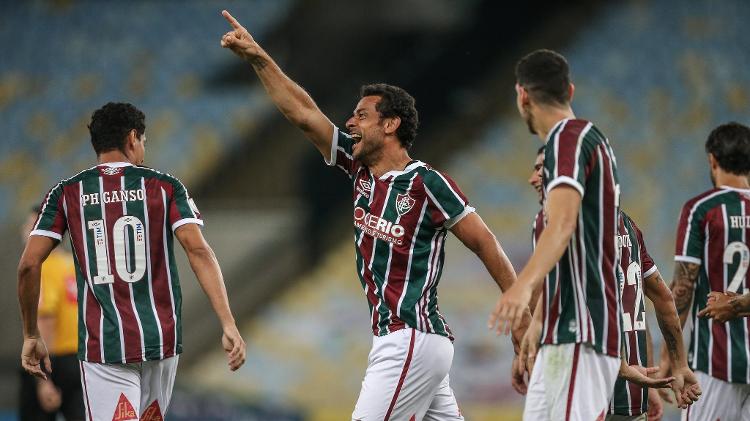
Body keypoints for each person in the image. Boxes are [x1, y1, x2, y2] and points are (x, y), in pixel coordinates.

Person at [220, 10, 525, 421]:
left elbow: (484, 242)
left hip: (408, 338)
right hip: (414, 343)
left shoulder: (427, 184)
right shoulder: (359, 168)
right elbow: (304, 113)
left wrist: (519, 313)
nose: (350, 121)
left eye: (361, 115)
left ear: (391, 125)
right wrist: (259, 57)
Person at [489, 49, 695, 420]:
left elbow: (563, 226)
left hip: (579, 335)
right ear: (569, 88)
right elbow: (570, 252)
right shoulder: (583, 144)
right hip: (563, 335)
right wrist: (537, 326)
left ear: (522, 95)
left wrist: (521, 289)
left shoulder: (568, 137)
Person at [18, 102, 246, 421]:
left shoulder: (66, 193)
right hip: (160, 342)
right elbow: (198, 251)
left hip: (104, 348)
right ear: (132, 138)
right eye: (143, 142)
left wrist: (31, 334)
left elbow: (29, 265)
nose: (142, 150)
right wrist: (228, 322)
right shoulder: (166, 187)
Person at [668, 122, 750, 420]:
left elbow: (682, 289)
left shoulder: (701, 210)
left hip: (714, 364)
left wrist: (671, 357)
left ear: (712, 159)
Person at [18, 207, 85, 421]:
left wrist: (42, 379)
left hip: (51, 362)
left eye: (32, 226)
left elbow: (45, 319)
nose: (25, 230)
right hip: (80, 361)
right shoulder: (72, 265)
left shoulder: (41, 267)